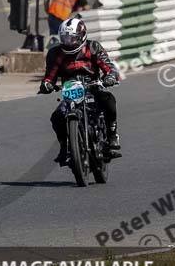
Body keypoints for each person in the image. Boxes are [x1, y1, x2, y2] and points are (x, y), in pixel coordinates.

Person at [38, 15, 121, 166]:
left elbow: (110, 68)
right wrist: (47, 84)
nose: (69, 42)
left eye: (72, 38)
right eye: (65, 38)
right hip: (70, 89)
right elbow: (50, 76)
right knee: (57, 117)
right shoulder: (55, 53)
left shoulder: (93, 47)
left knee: (109, 100)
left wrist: (110, 77)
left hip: (93, 86)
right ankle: (65, 147)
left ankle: (112, 135)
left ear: (82, 36)